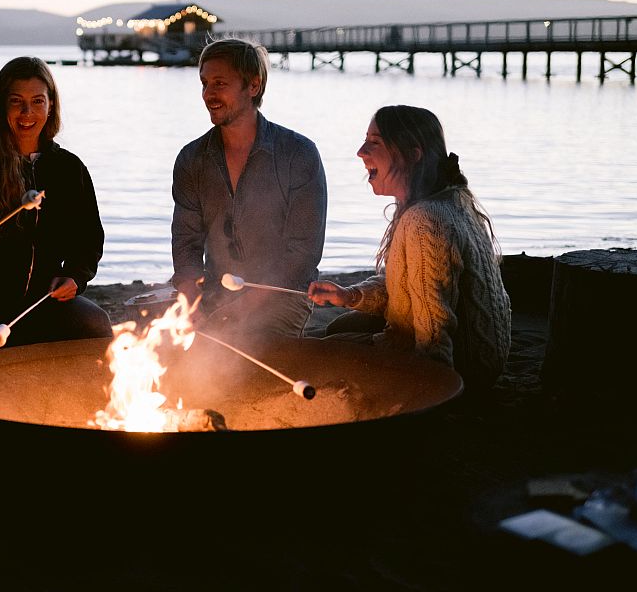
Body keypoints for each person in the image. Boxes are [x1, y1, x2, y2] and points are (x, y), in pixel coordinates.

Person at [307, 105, 511, 391]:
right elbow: (408, 284)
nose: (361, 151)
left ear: (413, 154)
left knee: (315, 354)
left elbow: (434, 328)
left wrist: (434, 392)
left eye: (375, 142)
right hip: (485, 355)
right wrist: (349, 295)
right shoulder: (450, 198)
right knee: (339, 326)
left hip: (465, 369)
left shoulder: (425, 220)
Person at [0, 56, 111, 350]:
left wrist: (75, 278)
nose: (27, 113)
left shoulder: (69, 169)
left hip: (43, 302)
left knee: (96, 323)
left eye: (38, 101)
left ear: (51, 105)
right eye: (17, 101)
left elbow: (89, 240)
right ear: (1, 105)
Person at [171, 37, 328, 339]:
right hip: (215, 295)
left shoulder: (298, 154)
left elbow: (302, 253)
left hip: (281, 295)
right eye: (204, 83)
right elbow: (185, 242)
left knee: (246, 348)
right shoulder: (192, 159)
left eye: (220, 83)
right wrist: (190, 301)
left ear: (253, 86)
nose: (208, 94)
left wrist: (241, 309)